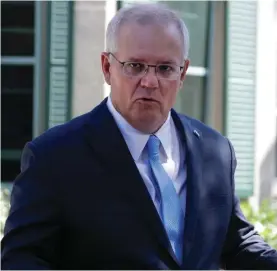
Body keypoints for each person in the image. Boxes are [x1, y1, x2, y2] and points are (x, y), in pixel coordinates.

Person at [1, 3, 277, 270]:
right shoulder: (55, 157)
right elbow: (21, 260)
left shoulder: (215, 150)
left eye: (165, 68)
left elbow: (238, 244)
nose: (149, 81)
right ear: (107, 67)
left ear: (182, 74)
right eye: (135, 66)